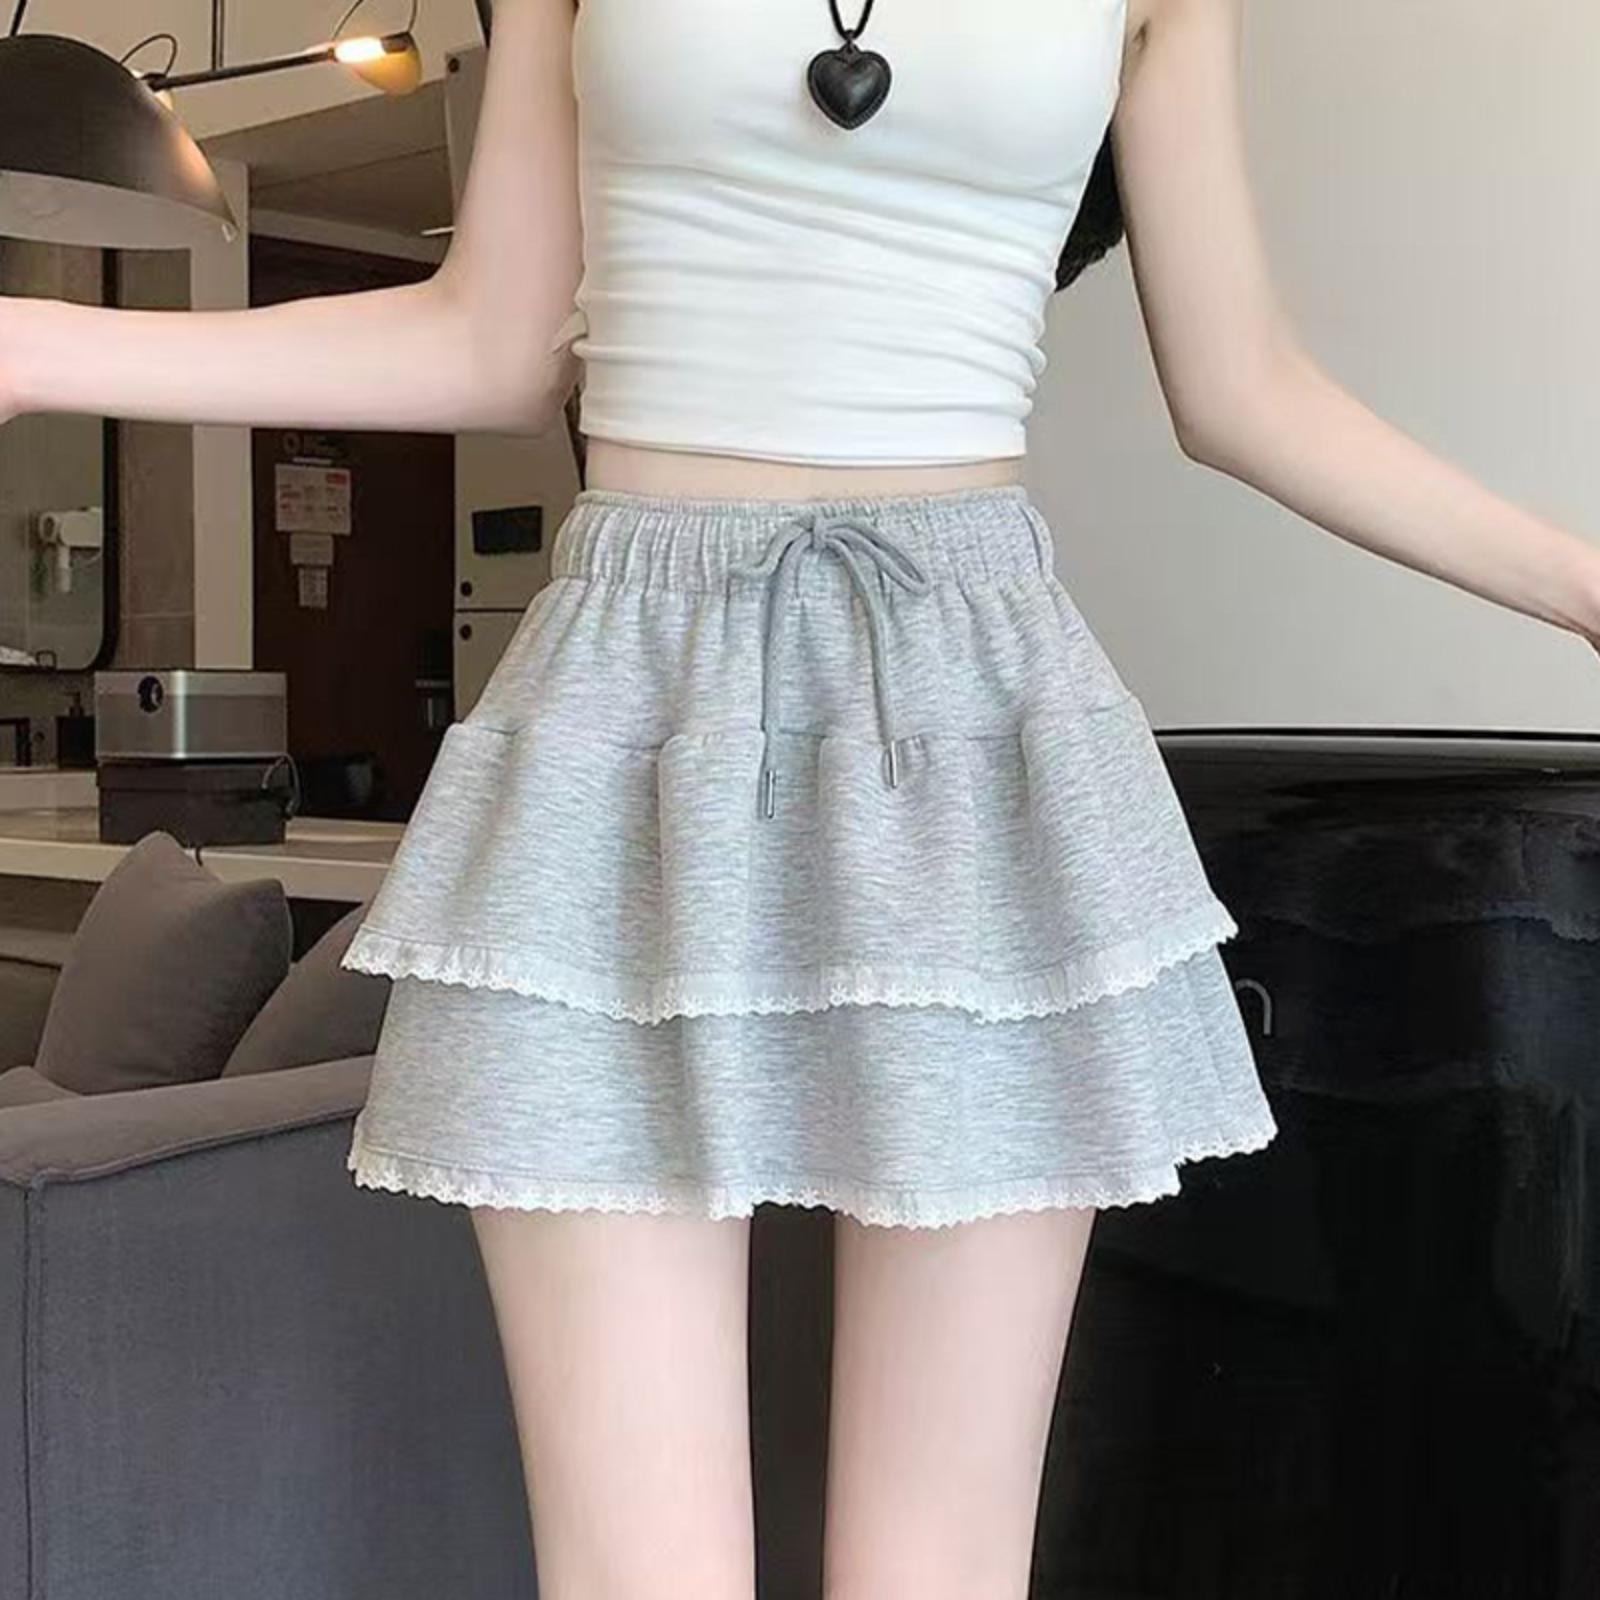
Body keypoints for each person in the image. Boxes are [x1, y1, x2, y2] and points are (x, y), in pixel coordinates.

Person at [4, 1, 1598, 1595]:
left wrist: (1586, 588)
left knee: (938, 1564)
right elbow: (492, 340)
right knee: (636, 1569)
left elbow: (1244, 386)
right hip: (630, 696)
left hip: (973, 717)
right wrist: (33, 343)